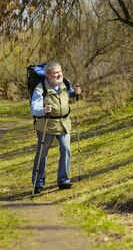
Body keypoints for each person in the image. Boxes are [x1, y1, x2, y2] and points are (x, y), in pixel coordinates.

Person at [31, 61, 82, 193]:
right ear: (48, 75)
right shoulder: (40, 88)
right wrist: (43, 110)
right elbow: (34, 108)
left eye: (60, 71)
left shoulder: (65, 82)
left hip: (64, 123)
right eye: (55, 72)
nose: (59, 74)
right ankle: (38, 184)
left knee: (66, 150)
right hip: (46, 125)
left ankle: (64, 181)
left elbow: (69, 93)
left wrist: (75, 92)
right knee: (42, 154)